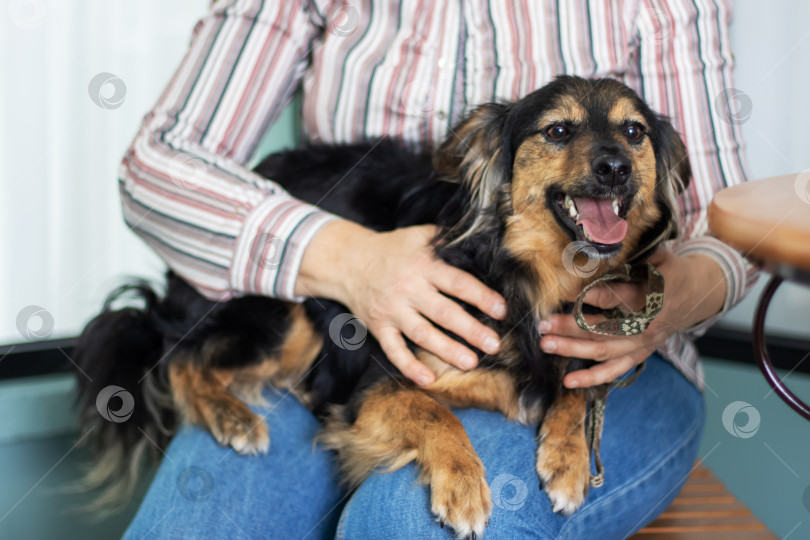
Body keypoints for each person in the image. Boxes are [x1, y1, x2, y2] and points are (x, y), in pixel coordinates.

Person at [119, 1, 757, 538]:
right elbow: (156, 163)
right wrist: (346, 258)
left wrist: (664, 303)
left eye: (631, 136)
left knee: (412, 521)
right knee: (195, 524)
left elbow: (733, 224)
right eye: (561, 132)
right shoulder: (477, 195)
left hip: (638, 371)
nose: (611, 158)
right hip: (354, 337)